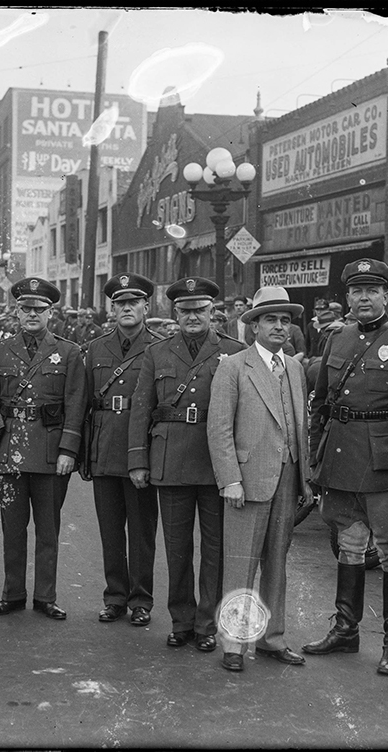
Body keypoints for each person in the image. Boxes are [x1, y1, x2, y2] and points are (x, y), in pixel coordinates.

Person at [304, 258, 388, 676]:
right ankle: (345, 630)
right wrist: (314, 456)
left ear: (386, 295)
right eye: (356, 291)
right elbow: (321, 402)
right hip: (341, 455)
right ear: (347, 297)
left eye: (372, 290)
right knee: (349, 543)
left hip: (383, 458)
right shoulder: (337, 338)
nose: (363, 297)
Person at [128, 277, 247, 652]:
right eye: (185, 310)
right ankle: (181, 620)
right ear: (174, 313)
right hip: (171, 460)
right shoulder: (157, 353)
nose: (192, 316)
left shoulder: (235, 350)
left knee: (215, 549)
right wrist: (138, 460)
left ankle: (206, 623)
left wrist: (239, 468)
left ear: (213, 313)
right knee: (177, 547)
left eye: (200, 310)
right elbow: (140, 408)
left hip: (217, 465)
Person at [207, 286, 313, 672]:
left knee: (277, 564)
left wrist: (305, 477)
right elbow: (219, 430)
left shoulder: (296, 368)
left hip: (287, 477)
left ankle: (272, 638)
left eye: (286, 321)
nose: (280, 327)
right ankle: (234, 644)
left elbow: (300, 424)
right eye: (271, 319)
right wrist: (230, 479)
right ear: (253, 326)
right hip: (247, 480)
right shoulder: (234, 367)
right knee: (240, 564)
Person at [0, 277, 88, 621]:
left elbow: (76, 402)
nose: (32, 314)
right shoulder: (0, 350)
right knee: (12, 528)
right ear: (17, 312)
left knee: (48, 531)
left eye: (39, 308)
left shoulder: (69, 352)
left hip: (52, 453)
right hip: (9, 453)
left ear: (50, 312)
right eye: (26, 308)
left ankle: (45, 597)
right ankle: (12, 594)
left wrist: (69, 449)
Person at [82, 273, 164, 626]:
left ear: (147, 306)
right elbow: (84, 402)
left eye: (134, 302)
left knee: (142, 532)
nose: (126, 308)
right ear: (111, 308)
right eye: (120, 303)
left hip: (140, 449)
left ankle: (141, 599)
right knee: (111, 530)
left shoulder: (160, 347)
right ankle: (115, 596)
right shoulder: (97, 348)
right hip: (105, 447)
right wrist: (86, 453)